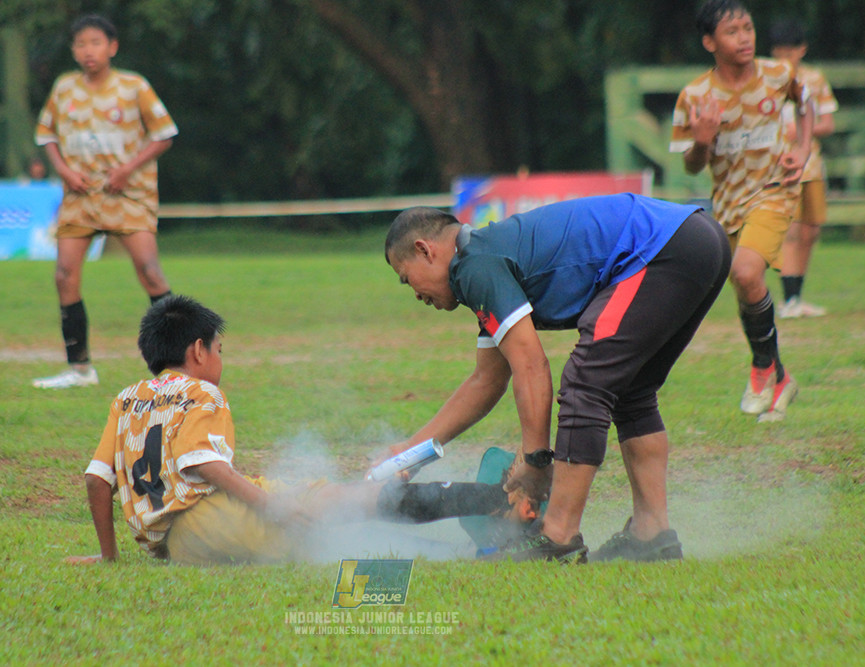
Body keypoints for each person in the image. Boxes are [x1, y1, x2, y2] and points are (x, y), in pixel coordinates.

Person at [383, 193, 731, 563]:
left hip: (665, 246)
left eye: (407, 279)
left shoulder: (475, 267)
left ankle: (558, 536)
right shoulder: (482, 261)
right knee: (632, 391)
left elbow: (531, 365)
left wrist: (535, 462)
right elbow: (485, 382)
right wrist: (410, 452)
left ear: (425, 250)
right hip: (695, 239)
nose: (415, 294)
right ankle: (651, 535)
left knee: (587, 382)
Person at [68, 295, 526, 566]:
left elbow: (96, 479)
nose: (221, 360)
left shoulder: (126, 398)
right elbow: (204, 464)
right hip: (210, 523)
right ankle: (486, 538)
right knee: (335, 535)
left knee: (342, 498)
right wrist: (274, 508)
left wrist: (109, 558)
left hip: (182, 534)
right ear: (199, 351)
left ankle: (499, 500)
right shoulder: (202, 393)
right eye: (220, 349)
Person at [670, 0, 814, 422]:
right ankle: (781, 378)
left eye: (748, 28)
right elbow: (692, 164)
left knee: (747, 273)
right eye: (733, 31)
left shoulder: (779, 74)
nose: (745, 37)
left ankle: (761, 369)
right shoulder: (696, 96)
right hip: (729, 205)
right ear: (709, 42)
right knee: (748, 292)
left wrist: (802, 151)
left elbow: (807, 106)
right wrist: (702, 141)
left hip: (775, 190)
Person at [32, 14, 178, 389]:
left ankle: (177, 367)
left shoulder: (133, 87)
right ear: (73, 51)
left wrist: (127, 169)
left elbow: (164, 135)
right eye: (80, 44)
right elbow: (46, 133)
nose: (88, 50)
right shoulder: (64, 87)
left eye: (95, 42)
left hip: (126, 194)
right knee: (64, 275)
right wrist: (63, 171)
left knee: (150, 271)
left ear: (112, 47)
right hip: (81, 196)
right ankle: (79, 369)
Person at [770, 17, 839, 319]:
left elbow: (827, 122)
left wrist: (802, 132)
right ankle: (788, 300)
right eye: (779, 52)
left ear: (802, 50)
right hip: (781, 165)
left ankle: (797, 297)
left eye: (790, 52)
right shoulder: (766, 80)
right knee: (791, 230)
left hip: (811, 163)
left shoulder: (815, 79)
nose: (784, 59)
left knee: (810, 230)